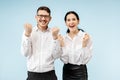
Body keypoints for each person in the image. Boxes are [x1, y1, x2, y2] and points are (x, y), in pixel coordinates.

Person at [21, 6, 61, 80]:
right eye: (40, 16)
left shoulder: (54, 32)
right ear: (36, 17)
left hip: (49, 75)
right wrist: (27, 35)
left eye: (46, 16)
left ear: (50, 18)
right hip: (32, 75)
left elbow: (57, 56)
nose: (43, 19)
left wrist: (55, 38)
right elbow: (25, 53)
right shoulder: (28, 31)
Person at [59, 11, 93, 80]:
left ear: (78, 21)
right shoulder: (63, 39)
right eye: (68, 20)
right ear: (65, 23)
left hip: (80, 71)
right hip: (67, 71)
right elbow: (65, 60)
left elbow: (84, 60)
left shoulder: (86, 37)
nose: (71, 22)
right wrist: (62, 45)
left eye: (74, 19)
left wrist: (84, 45)